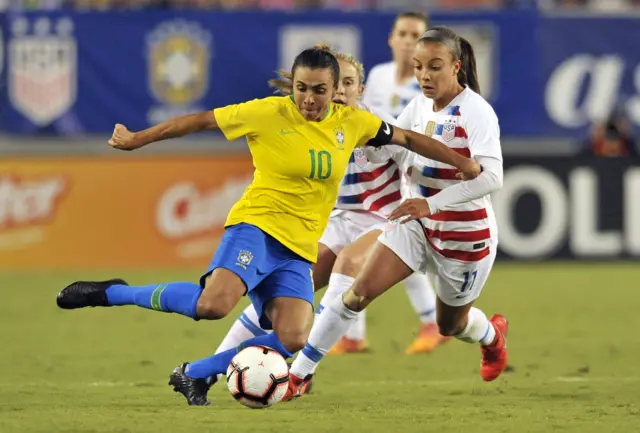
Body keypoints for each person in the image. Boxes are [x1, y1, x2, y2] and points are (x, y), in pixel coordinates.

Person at [55, 46, 481, 406]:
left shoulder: (353, 124)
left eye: (319, 90)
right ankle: (112, 292)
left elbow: (408, 138)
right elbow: (201, 121)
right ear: (292, 86)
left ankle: (196, 373)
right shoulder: (268, 113)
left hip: (297, 248)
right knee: (213, 306)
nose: (309, 99)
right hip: (256, 228)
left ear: (335, 91)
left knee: (294, 337)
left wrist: (462, 162)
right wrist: (138, 139)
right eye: (301, 88)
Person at [286, 27, 508, 399]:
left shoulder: (477, 111)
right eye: (419, 67)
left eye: (434, 67)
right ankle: (299, 375)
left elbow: (493, 179)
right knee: (358, 293)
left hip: (465, 236)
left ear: (456, 67)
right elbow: (398, 148)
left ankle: (491, 335)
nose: (424, 75)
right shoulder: (419, 105)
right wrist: (365, 141)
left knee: (450, 325)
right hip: (417, 225)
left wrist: (432, 203)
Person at [211, 46, 448, 385]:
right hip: (342, 220)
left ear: (360, 90)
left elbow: (416, 158)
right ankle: (213, 369)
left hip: (388, 218)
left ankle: (301, 371)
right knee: (286, 289)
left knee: (348, 264)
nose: (340, 92)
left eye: (348, 84)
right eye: (335, 85)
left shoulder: (377, 127)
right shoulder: (312, 124)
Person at [361, 11, 427, 119]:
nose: (408, 41)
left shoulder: (431, 83)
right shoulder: (377, 74)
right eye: (402, 34)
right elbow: (364, 116)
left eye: (415, 35)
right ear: (391, 39)